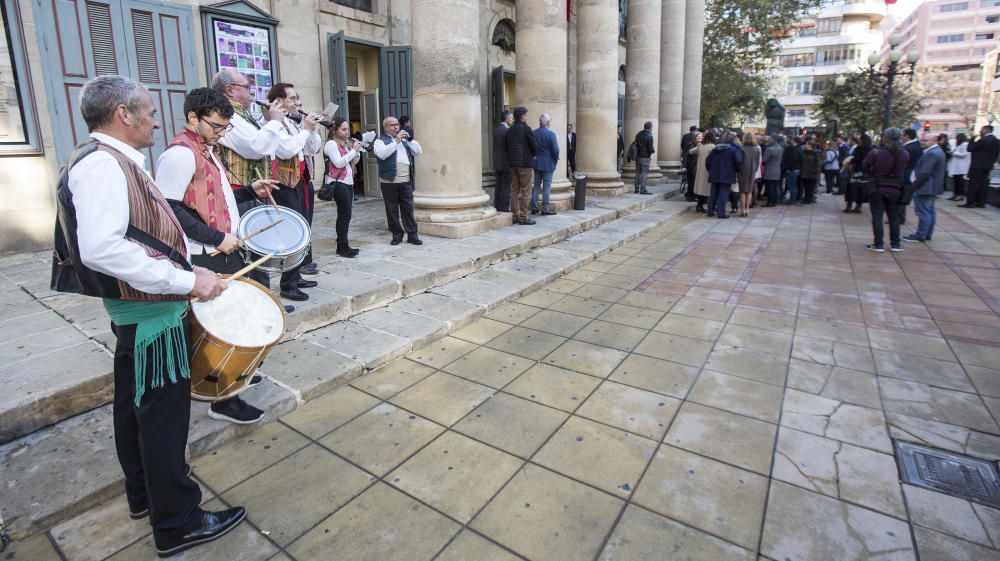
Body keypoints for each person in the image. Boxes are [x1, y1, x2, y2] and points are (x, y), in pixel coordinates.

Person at [54, 75, 243, 557]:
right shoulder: (101, 164)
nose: (156, 120)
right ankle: (177, 520)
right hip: (151, 315)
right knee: (162, 418)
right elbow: (101, 248)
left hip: (140, 312)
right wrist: (187, 280)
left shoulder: (108, 160)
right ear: (124, 114)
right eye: (149, 112)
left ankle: (144, 496)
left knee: (134, 407)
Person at [157, 87, 278, 425]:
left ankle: (234, 379)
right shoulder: (179, 155)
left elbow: (214, 199)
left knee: (240, 321)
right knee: (226, 329)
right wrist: (216, 238)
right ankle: (222, 399)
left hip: (223, 248)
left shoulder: (207, 149)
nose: (221, 133)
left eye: (226, 127)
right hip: (205, 254)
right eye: (216, 126)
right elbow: (170, 208)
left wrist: (248, 192)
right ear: (192, 118)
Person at [211, 70, 298, 312]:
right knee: (252, 253)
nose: (252, 92)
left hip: (251, 190)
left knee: (258, 250)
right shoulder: (228, 115)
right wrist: (274, 122)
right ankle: (261, 303)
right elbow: (256, 147)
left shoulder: (241, 115)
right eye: (247, 86)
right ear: (230, 90)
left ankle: (265, 299)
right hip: (239, 193)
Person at [266, 83, 324, 301]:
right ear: (279, 102)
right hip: (285, 185)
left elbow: (310, 149)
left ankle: (296, 274)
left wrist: (313, 131)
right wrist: (306, 130)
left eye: (297, 99)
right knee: (292, 233)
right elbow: (287, 149)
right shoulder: (276, 124)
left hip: (301, 181)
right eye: (292, 99)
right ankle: (287, 285)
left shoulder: (292, 123)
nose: (297, 103)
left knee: (303, 230)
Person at [373, 115, 424, 244]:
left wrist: (410, 140)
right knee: (392, 210)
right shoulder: (380, 141)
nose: (396, 127)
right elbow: (382, 154)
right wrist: (395, 141)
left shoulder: (405, 140)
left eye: (397, 124)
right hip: (389, 182)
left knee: (408, 208)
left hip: (405, 180)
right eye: (392, 125)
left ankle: (412, 235)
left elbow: (418, 151)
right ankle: (397, 234)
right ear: (385, 127)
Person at [863, 128, 910, 253]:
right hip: (896, 187)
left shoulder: (877, 153)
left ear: (885, 138)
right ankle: (896, 243)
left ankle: (878, 244)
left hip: (878, 186)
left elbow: (865, 165)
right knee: (894, 216)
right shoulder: (905, 154)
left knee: (877, 216)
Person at [324, 117, 363, 257]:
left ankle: (343, 245)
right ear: (335, 130)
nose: (347, 132)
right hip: (338, 183)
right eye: (344, 129)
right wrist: (352, 151)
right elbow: (339, 163)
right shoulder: (331, 144)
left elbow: (353, 161)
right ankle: (342, 246)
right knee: (344, 215)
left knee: (346, 215)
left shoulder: (343, 144)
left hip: (347, 182)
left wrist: (356, 151)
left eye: (348, 129)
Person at [904, 131, 947, 243]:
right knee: (929, 211)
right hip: (931, 186)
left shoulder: (932, 153)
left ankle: (921, 234)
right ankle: (926, 233)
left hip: (926, 187)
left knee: (923, 211)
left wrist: (915, 185)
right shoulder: (936, 152)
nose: (922, 142)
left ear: (934, 141)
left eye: (926, 140)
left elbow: (925, 172)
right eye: (922, 140)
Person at [505, 106, 538, 225]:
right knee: (526, 191)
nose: (527, 118)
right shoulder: (526, 129)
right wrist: (534, 154)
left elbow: (506, 147)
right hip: (525, 164)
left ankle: (514, 215)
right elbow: (534, 146)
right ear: (522, 116)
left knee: (514, 190)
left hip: (513, 164)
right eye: (526, 115)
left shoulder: (510, 130)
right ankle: (523, 216)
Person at [706, 131, 742, 219]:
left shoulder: (715, 149)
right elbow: (738, 162)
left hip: (714, 174)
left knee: (713, 193)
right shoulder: (734, 150)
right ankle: (721, 213)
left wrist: (710, 170)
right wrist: (737, 170)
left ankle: (710, 210)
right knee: (723, 194)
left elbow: (708, 161)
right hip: (727, 174)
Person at [962, 125, 999, 208]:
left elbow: (970, 148)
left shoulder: (983, 140)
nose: (980, 131)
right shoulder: (996, 140)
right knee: (983, 185)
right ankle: (981, 202)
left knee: (973, 184)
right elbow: (996, 154)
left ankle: (971, 202)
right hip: (987, 166)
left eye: (981, 130)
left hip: (977, 166)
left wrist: (971, 139)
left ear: (986, 130)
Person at [531, 113, 560, 215]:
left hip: (537, 163)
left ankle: (534, 207)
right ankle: (545, 208)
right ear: (547, 122)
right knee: (546, 187)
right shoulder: (551, 134)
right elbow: (555, 150)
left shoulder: (534, 133)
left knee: (536, 185)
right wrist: (555, 160)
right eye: (550, 121)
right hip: (548, 164)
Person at [844, 134, 872, 213]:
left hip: (857, 171)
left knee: (852, 188)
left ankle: (849, 206)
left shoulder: (859, 148)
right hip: (866, 172)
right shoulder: (871, 149)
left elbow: (854, 159)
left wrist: (850, 162)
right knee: (862, 189)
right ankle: (858, 206)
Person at [493, 110, 513, 212]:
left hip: (497, 162)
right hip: (506, 163)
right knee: (505, 187)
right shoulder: (507, 130)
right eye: (511, 118)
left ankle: (497, 205)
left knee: (498, 185)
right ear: (507, 118)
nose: (512, 120)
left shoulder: (496, 129)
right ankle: (504, 207)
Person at [738, 132, 761, 216]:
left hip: (743, 170)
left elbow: (739, 161)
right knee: (749, 190)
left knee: (742, 191)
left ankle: (743, 209)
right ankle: (747, 209)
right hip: (752, 170)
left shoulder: (741, 148)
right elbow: (758, 161)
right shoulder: (757, 148)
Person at [691, 131, 714, 213]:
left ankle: (699, 205)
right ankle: (701, 206)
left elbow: (691, 151)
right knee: (706, 189)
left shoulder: (701, 146)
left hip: (700, 170)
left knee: (701, 189)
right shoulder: (713, 147)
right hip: (708, 170)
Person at [632, 121, 655, 195]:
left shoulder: (639, 134)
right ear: (650, 127)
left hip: (638, 156)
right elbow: (651, 149)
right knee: (644, 173)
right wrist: (653, 151)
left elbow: (635, 143)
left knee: (637, 173)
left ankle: (636, 189)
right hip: (645, 157)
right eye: (652, 127)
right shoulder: (650, 136)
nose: (652, 128)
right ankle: (643, 189)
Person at [761, 135, 783, 207]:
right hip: (777, 170)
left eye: (769, 139)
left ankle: (770, 202)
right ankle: (774, 201)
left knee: (770, 187)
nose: (768, 140)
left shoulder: (770, 149)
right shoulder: (780, 148)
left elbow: (764, 160)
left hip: (770, 170)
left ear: (773, 140)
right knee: (775, 186)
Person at [948, 132, 970, 202]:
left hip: (961, 167)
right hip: (957, 167)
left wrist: (953, 153)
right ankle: (955, 194)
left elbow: (964, 154)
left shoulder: (965, 145)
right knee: (956, 182)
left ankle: (960, 195)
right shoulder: (959, 145)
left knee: (960, 182)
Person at [799, 139, 822, 205]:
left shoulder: (816, 153)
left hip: (812, 173)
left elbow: (818, 163)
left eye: (807, 144)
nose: (805, 145)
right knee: (806, 186)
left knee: (810, 187)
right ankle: (807, 198)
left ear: (810, 146)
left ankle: (809, 199)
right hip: (805, 173)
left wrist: (814, 170)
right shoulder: (803, 152)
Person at [782, 136, 803, 204]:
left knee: (792, 186)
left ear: (794, 141)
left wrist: (788, 168)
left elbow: (792, 160)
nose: (790, 140)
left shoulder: (794, 149)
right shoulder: (799, 148)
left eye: (792, 139)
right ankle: (794, 199)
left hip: (792, 170)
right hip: (796, 169)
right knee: (794, 185)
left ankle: (792, 200)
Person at [683, 131, 702, 202]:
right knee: (691, 182)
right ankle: (689, 195)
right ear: (695, 137)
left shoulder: (702, 145)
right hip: (691, 165)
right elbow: (685, 155)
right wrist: (684, 166)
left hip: (698, 166)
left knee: (695, 182)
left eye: (701, 137)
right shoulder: (690, 144)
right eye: (698, 137)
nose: (700, 138)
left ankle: (694, 195)